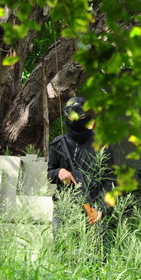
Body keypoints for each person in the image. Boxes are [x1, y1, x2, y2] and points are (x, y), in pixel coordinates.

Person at [47, 96, 116, 224]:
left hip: (92, 211)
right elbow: (49, 173)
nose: (75, 118)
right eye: (71, 113)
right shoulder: (59, 143)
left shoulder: (101, 145)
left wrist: (102, 209)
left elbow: (110, 181)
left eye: (79, 113)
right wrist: (59, 172)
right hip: (64, 210)